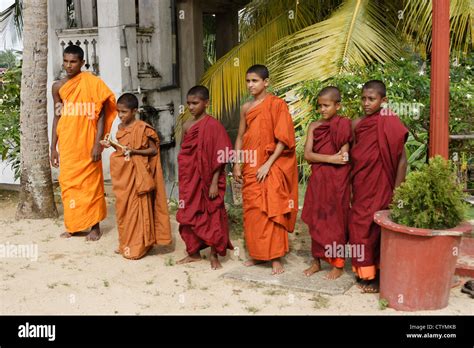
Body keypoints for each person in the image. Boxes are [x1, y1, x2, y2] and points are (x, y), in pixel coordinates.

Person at [232, 64, 298, 275]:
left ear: (266, 82)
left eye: (255, 81)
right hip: (250, 165)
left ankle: (276, 257)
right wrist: (236, 163)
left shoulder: (277, 105)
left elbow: (284, 138)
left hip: (271, 164)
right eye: (248, 81)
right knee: (253, 211)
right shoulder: (246, 108)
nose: (250, 85)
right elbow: (241, 136)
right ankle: (258, 255)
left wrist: (268, 164)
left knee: (273, 208)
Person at [50, 45, 116, 241]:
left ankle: (94, 226)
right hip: (68, 143)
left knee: (91, 184)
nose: (69, 65)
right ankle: (74, 225)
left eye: (73, 62)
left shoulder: (92, 83)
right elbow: (57, 116)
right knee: (69, 184)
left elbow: (102, 114)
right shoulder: (58, 86)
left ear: (82, 63)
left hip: (88, 141)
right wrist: (53, 147)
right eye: (66, 61)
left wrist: (98, 143)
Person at [349, 80, 408, 293]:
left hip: (382, 185)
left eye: (371, 99)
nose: (366, 103)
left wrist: (397, 190)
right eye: (363, 98)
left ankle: (378, 277)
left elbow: (402, 159)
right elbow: (355, 156)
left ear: (384, 101)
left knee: (376, 228)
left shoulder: (390, 122)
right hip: (361, 184)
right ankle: (365, 272)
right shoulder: (357, 124)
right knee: (358, 225)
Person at [101, 93, 172, 259]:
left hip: (138, 175)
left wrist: (135, 151)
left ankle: (139, 247)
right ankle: (125, 243)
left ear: (134, 111)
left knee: (137, 209)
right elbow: (121, 149)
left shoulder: (143, 128)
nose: (120, 115)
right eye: (118, 111)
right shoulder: (119, 128)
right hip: (123, 176)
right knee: (123, 210)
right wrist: (110, 144)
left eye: (124, 112)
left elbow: (154, 150)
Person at [176, 86, 234, 269]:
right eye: (189, 104)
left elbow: (222, 155)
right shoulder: (186, 126)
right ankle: (193, 252)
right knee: (188, 213)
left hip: (210, 180)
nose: (191, 107)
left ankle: (214, 254)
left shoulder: (214, 126)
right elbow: (184, 153)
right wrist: (184, 177)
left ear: (206, 103)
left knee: (212, 215)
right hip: (190, 179)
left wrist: (214, 182)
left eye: (195, 103)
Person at [301, 86, 352, 280]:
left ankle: (338, 264)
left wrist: (327, 158)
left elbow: (344, 156)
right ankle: (316, 261)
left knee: (336, 222)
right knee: (316, 220)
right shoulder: (314, 126)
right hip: (319, 180)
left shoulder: (343, 125)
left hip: (337, 182)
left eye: (326, 105)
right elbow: (307, 155)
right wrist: (331, 159)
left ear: (337, 106)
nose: (322, 109)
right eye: (320, 106)